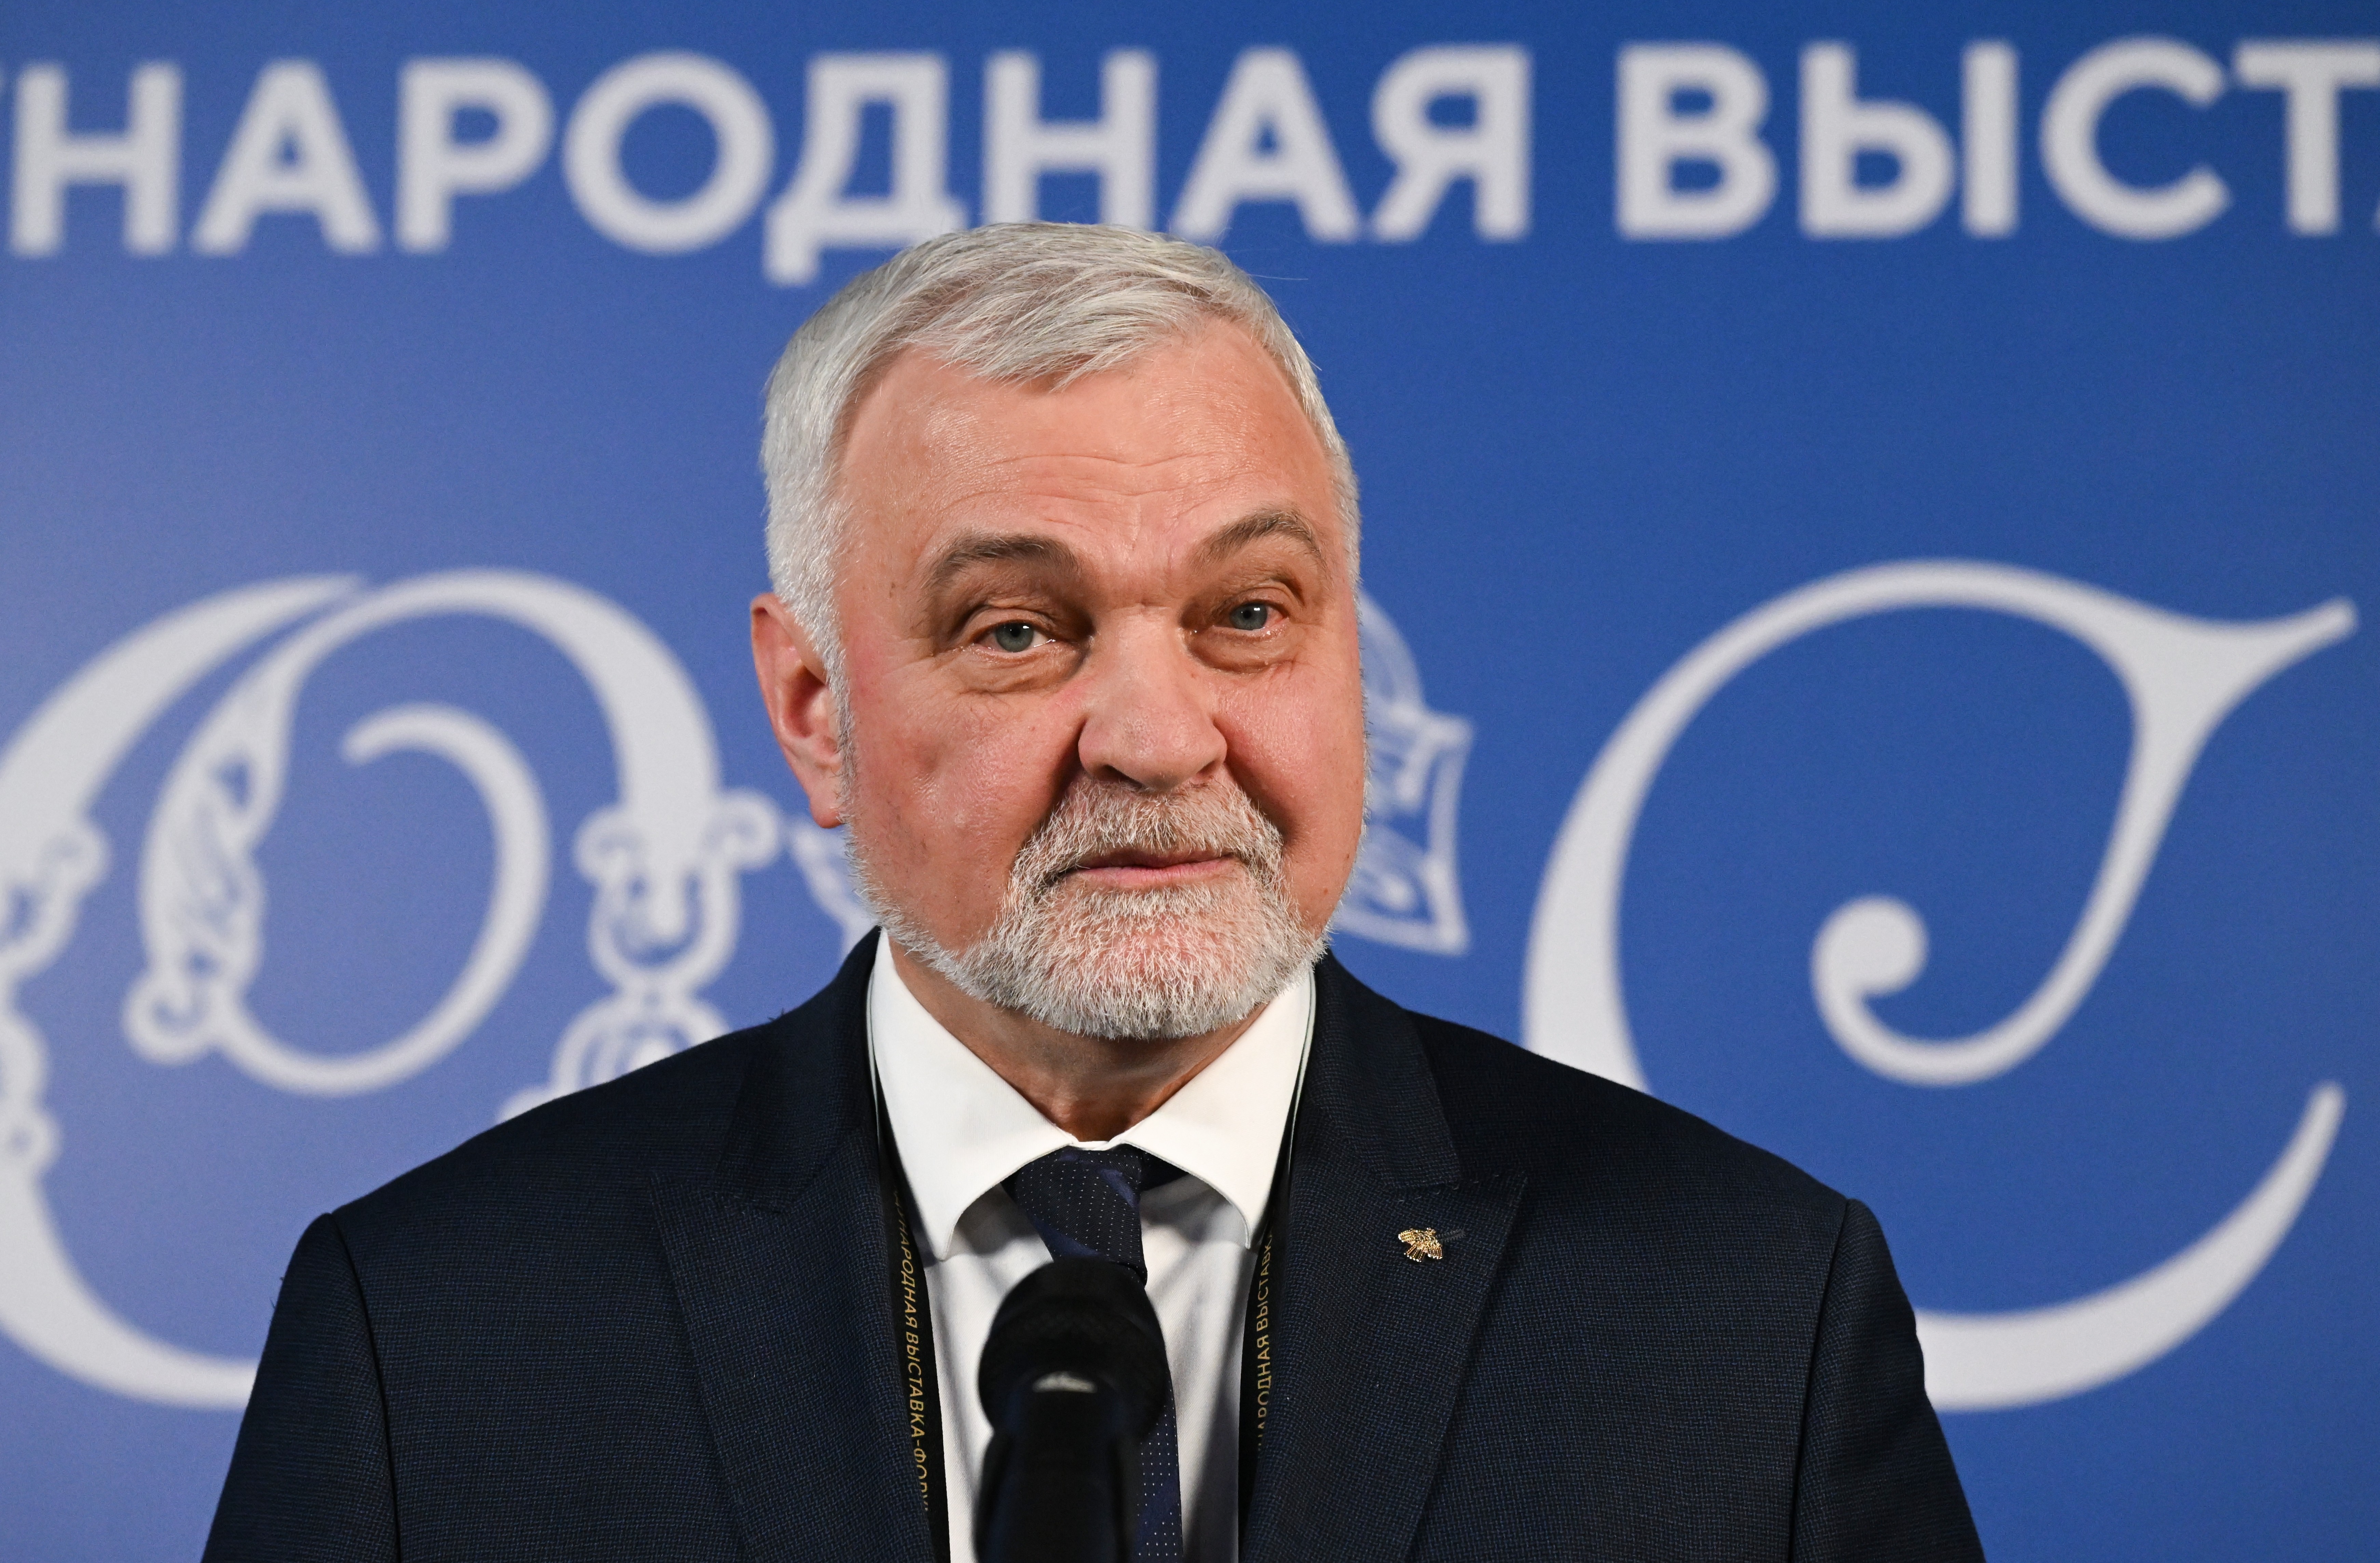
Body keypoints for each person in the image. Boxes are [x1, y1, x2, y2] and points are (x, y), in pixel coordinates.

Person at [203, 223, 1983, 1562]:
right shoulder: (436, 1335)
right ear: (815, 711)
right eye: (1017, 630)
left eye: (1248, 615)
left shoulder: (1749, 1316)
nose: (1155, 737)